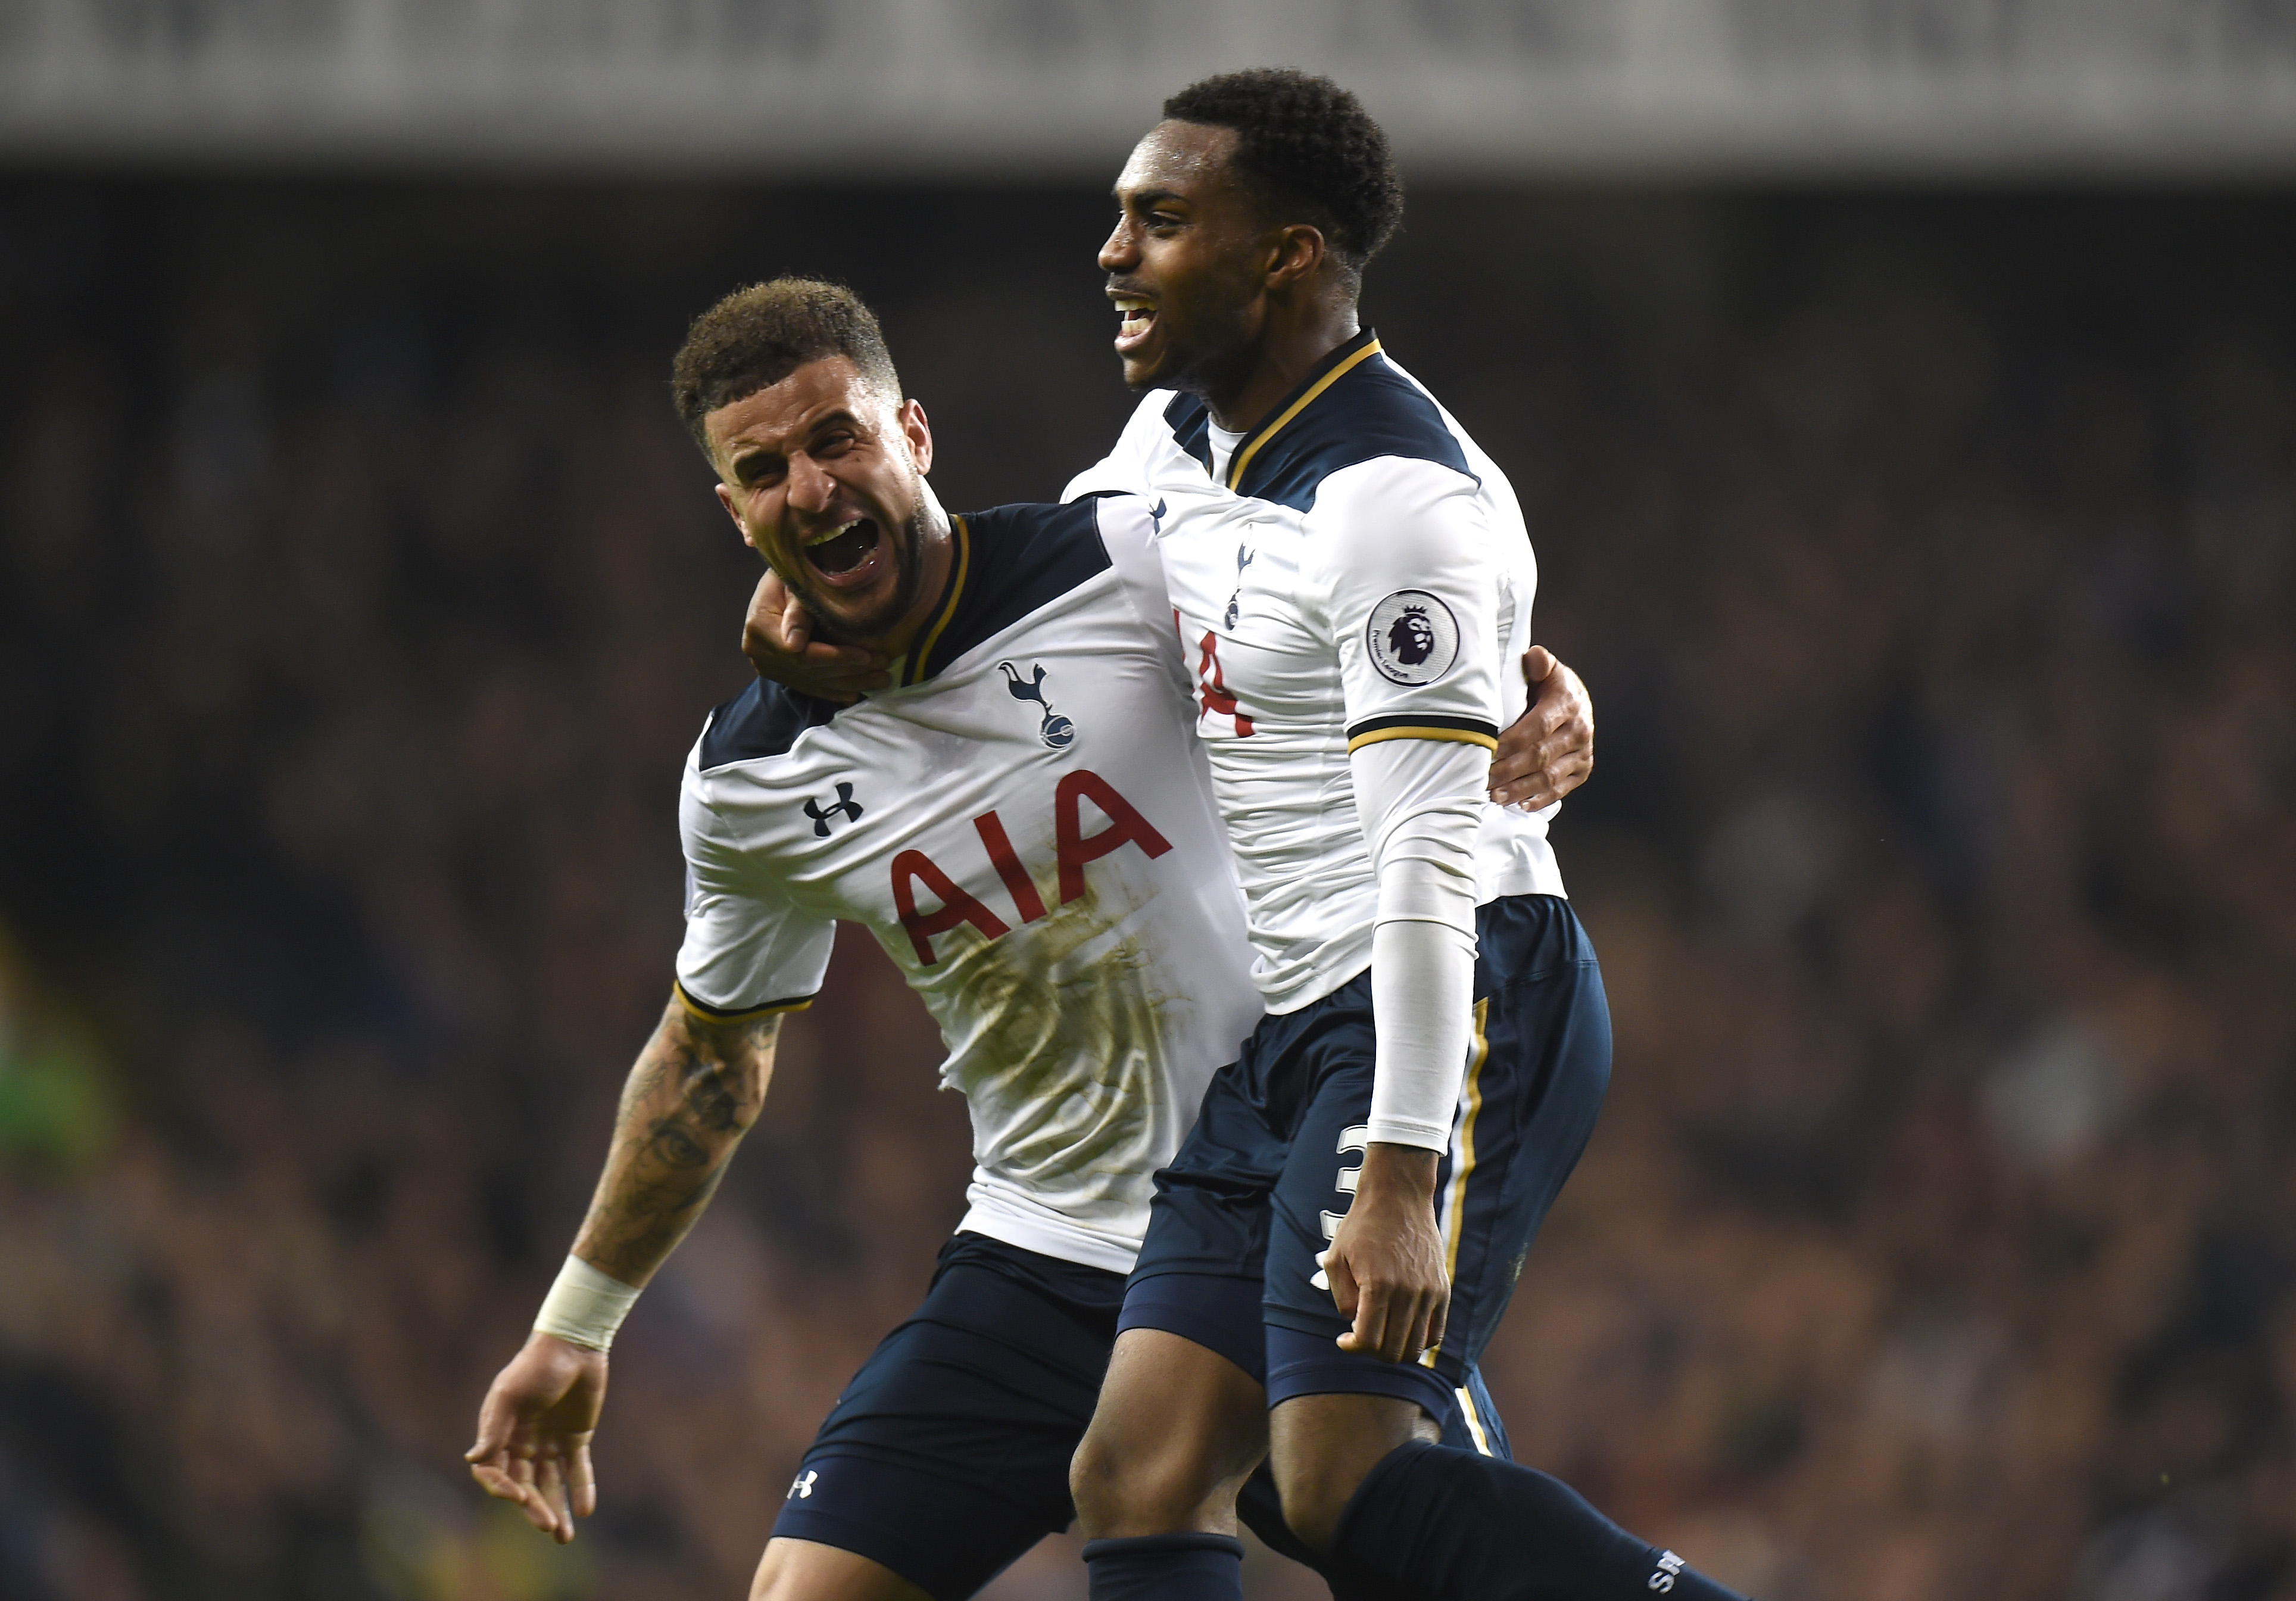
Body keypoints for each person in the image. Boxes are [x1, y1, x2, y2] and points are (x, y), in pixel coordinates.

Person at [463, 278, 1583, 1601]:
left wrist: (1532, 681)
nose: (812, 490)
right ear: (731, 510)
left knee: (1390, 1529)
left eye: (837, 439)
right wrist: (575, 1330)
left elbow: (1377, 599)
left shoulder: (1119, 562)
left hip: (1270, 1194)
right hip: (1042, 1243)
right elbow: (711, 1064)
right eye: (763, 472)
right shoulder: (748, 778)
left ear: (912, 436)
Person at [1042, 72, 1752, 1601]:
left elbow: (1429, 861)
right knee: (1145, 1463)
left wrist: (1402, 1172)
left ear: (1284, 254)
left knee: (1338, 1474)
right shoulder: (1172, 440)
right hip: (1290, 1022)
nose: (1111, 252)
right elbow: (1036, 593)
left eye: (1158, 220)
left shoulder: (1397, 498)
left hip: (1449, 987)